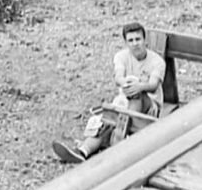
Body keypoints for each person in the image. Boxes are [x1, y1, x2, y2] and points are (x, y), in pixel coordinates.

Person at [52, 21, 167, 164]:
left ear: (145, 40)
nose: (135, 43)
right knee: (106, 120)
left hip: (149, 105)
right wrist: (125, 83)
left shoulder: (157, 61)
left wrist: (138, 86)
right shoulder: (121, 56)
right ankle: (83, 151)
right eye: (130, 40)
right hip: (124, 102)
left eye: (138, 39)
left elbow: (153, 85)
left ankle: (120, 139)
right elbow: (118, 77)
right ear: (126, 42)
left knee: (134, 95)